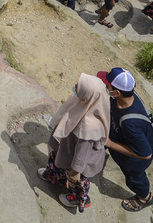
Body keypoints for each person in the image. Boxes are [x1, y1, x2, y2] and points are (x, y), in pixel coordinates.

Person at [36, 73, 110, 213]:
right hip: (68, 148)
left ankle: (78, 198)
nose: (75, 88)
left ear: (89, 96)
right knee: (57, 160)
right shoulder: (85, 104)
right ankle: (54, 176)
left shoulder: (90, 126)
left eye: (79, 87)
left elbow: (82, 153)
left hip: (79, 161)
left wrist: (76, 171)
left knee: (78, 182)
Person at [97, 68, 153, 212]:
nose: (105, 87)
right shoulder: (126, 98)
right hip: (125, 139)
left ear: (117, 92)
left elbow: (145, 154)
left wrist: (109, 143)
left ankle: (145, 198)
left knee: (134, 180)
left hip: (134, 162)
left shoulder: (130, 123)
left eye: (107, 86)